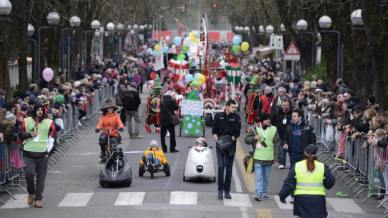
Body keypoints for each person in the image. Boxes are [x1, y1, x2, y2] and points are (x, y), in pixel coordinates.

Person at [278, 144, 335, 218]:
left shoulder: (297, 166)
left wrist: (282, 196)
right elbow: (330, 183)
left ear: (305, 153)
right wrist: (324, 181)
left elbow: (289, 184)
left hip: (301, 199)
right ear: (316, 154)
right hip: (318, 199)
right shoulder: (322, 166)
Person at [20, 102, 56, 208]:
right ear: (34, 110)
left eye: (42, 109)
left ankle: (39, 198)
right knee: (29, 174)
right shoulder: (26, 121)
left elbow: (53, 139)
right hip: (28, 153)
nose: (40, 111)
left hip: (42, 154)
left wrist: (48, 153)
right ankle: (31, 192)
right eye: (38, 109)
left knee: (41, 177)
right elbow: (19, 136)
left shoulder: (49, 122)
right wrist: (28, 134)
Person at [245, 113, 279, 201]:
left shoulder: (274, 129)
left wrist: (276, 156)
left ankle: (264, 192)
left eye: (269, 119)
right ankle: (258, 193)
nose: (268, 121)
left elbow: (276, 143)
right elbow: (246, 140)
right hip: (257, 157)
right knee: (259, 176)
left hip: (269, 157)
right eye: (266, 119)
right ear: (262, 121)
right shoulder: (255, 129)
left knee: (266, 177)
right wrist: (254, 138)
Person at [212, 99, 241, 200]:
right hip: (220, 144)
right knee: (221, 166)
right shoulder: (218, 116)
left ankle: (227, 191)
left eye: (235, 107)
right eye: (233, 107)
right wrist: (218, 142)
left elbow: (237, 132)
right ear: (227, 106)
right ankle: (220, 190)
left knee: (229, 169)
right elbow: (214, 132)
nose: (234, 109)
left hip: (231, 146)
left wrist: (230, 140)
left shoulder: (236, 117)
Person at [95, 98, 124, 162]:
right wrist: (97, 128)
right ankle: (103, 153)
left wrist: (121, 127)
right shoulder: (103, 116)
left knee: (113, 143)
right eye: (108, 108)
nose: (110, 109)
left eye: (111, 108)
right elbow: (100, 123)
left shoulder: (116, 116)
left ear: (113, 108)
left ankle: (114, 155)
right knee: (102, 139)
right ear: (106, 109)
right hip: (105, 132)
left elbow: (120, 123)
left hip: (114, 132)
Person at [271, 99, 292, 169]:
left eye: (286, 105)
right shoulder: (278, 112)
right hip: (280, 133)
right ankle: (281, 163)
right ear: (281, 105)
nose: (285, 107)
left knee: (291, 149)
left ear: (289, 105)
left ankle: (293, 163)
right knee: (281, 149)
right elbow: (272, 121)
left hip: (290, 134)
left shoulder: (292, 113)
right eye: (284, 105)